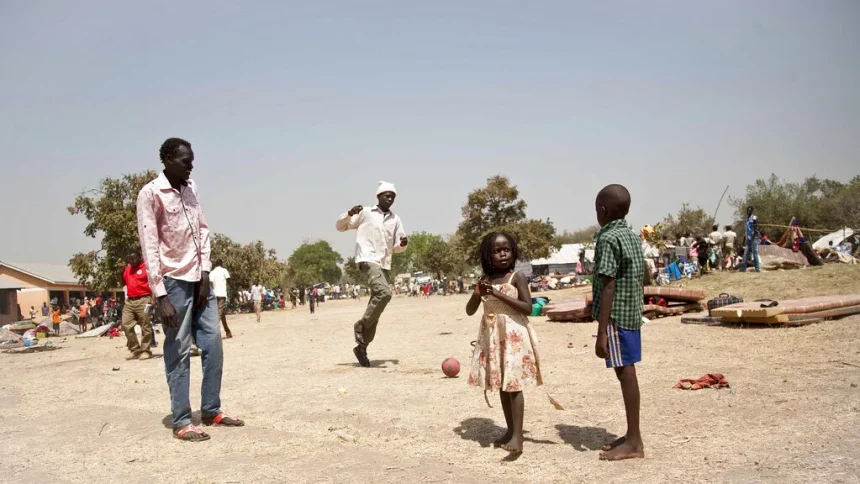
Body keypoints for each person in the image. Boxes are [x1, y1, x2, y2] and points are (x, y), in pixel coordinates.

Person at [137, 137, 243, 441]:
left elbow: (203, 230)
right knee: (179, 350)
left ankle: (211, 409)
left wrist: (205, 273)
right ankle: (182, 420)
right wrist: (160, 296)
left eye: (192, 159)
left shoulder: (191, 188)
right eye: (186, 160)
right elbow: (150, 245)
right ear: (168, 160)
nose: (191, 165)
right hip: (172, 283)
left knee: (214, 345)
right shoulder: (151, 194)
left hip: (199, 280)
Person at [466, 231, 543, 454]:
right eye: (497, 251)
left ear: (513, 251)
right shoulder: (486, 280)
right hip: (492, 336)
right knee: (501, 383)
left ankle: (518, 436)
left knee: (514, 384)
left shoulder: (516, 277)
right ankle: (509, 430)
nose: (503, 254)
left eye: (506, 249)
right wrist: (478, 293)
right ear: (488, 255)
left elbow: (528, 308)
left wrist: (497, 295)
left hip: (513, 335)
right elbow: (470, 310)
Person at [591, 184, 646, 461]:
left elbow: (608, 285)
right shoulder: (632, 236)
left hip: (615, 317)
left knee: (626, 373)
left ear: (602, 210)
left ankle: (635, 441)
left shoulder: (607, 239)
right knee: (627, 371)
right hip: (632, 312)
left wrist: (601, 332)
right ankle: (631, 434)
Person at [336, 181, 408, 368]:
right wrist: (350, 213)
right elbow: (340, 226)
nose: (390, 198)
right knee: (385, 294)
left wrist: (403, 243)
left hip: (385, 263)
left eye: (393, 196)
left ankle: (362, 346)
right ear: (378, 196)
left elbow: (398, 247)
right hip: (368, 259)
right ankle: (360, 325)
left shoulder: (395, 219)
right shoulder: (366, 212)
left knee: (377, 304)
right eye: (386, 195)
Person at [122, 250, 154, 360]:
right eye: (129, 259)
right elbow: (124, 283)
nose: (131, 261)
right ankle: (135, 349)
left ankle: (146, 351)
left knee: (146, 326)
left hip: (144, 299)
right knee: (126, 324)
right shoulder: (127, 269)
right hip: (130, 301)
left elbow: (154, 282)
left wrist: (153, 299)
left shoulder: (147, 267)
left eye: (133, 258)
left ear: (139, 257)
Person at [209, 259, 233, 338]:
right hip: (222, 294)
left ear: (215, 264)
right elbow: (229, 280)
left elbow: (210, 283)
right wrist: (234, 290)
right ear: (221, 264)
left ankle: (228, 332)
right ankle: (213, 333)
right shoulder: (224, 270)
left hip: (214, 294)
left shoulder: (212, 272)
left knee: (221, 313)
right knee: (219, 314)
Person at [740, 206, 761, 272]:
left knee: (755, 252)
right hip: (748, 238)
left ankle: (757, 268)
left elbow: (756, 229)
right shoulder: (746, 219)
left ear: (752, 211)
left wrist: (755, 226)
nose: (748, 211)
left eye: (750, 210)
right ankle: (743, 268)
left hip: (754, 237)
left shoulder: (754, 218)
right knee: (746, 253)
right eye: (747, 210)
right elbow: (746, 230)